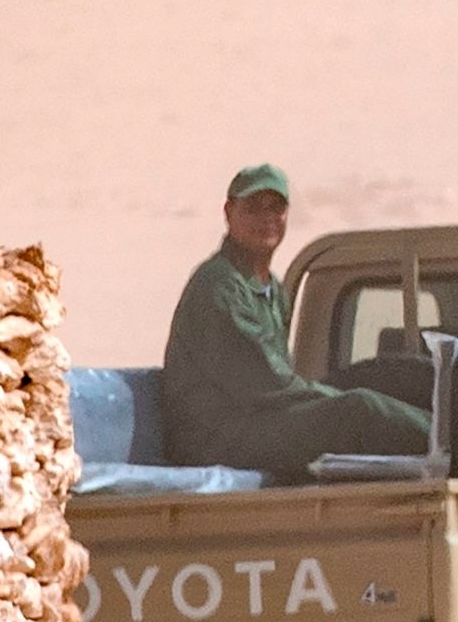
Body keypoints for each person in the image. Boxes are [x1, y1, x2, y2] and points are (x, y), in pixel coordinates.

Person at [160, 164, 431, 479]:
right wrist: (337, 398)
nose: (267, 220)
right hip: (217, 436)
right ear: (229, 212)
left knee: (387, 375)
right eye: (253, 209)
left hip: (258, 416)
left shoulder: (270, 287)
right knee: (360, 409)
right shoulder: (219, 286)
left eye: (276, 208)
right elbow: (265, 382)